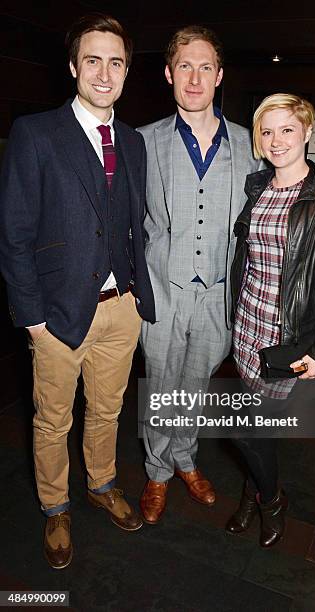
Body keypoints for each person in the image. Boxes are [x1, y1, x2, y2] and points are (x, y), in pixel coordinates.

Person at [0, 14, 155, 569]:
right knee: (52, 419)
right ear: (73, 67)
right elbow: (14, 233)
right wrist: (32, 316)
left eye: (116, 62)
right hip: (59, 314)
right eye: (93, 59)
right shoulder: (36, 133)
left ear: (127, 71)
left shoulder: (133, 142)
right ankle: (56, 506)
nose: (104, 72)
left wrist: (139, 295)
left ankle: (102, 483)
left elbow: (133, 222)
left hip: (122, 311)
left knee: (108, 411)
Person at [138, 25, 260, 524]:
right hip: (163, 291)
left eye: (205, 66)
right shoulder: (142, 142)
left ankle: (185, 459)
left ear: (220, 75)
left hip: (219, 296)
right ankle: (156, 472)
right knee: (162, 384)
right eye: (184, 65)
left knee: (196, 385)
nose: (194, 77)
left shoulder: (251, 144)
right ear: (169, 74)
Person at [227, 93, 315, 547]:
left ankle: (271, 498)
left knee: (247, 428)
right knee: (256, 427)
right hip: (246, 325)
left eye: (286, 129)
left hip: (288, 337)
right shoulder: (256, 187)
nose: (276, 140)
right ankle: (255, 492)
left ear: (305, 132)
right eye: (267, 130)